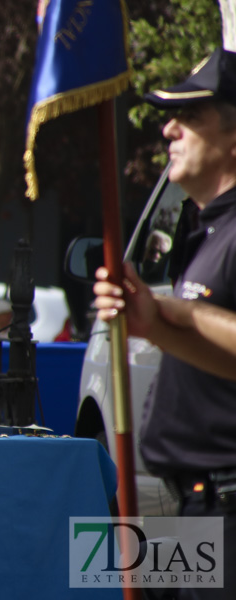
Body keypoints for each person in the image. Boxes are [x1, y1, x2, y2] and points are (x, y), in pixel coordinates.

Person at [92, 48, 236, 600]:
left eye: (192, 116)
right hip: (188, 507)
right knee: (93, 565)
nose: (169, 129)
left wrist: (174, 314)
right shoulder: (206, 231)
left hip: (223, 505)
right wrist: (153, 324)